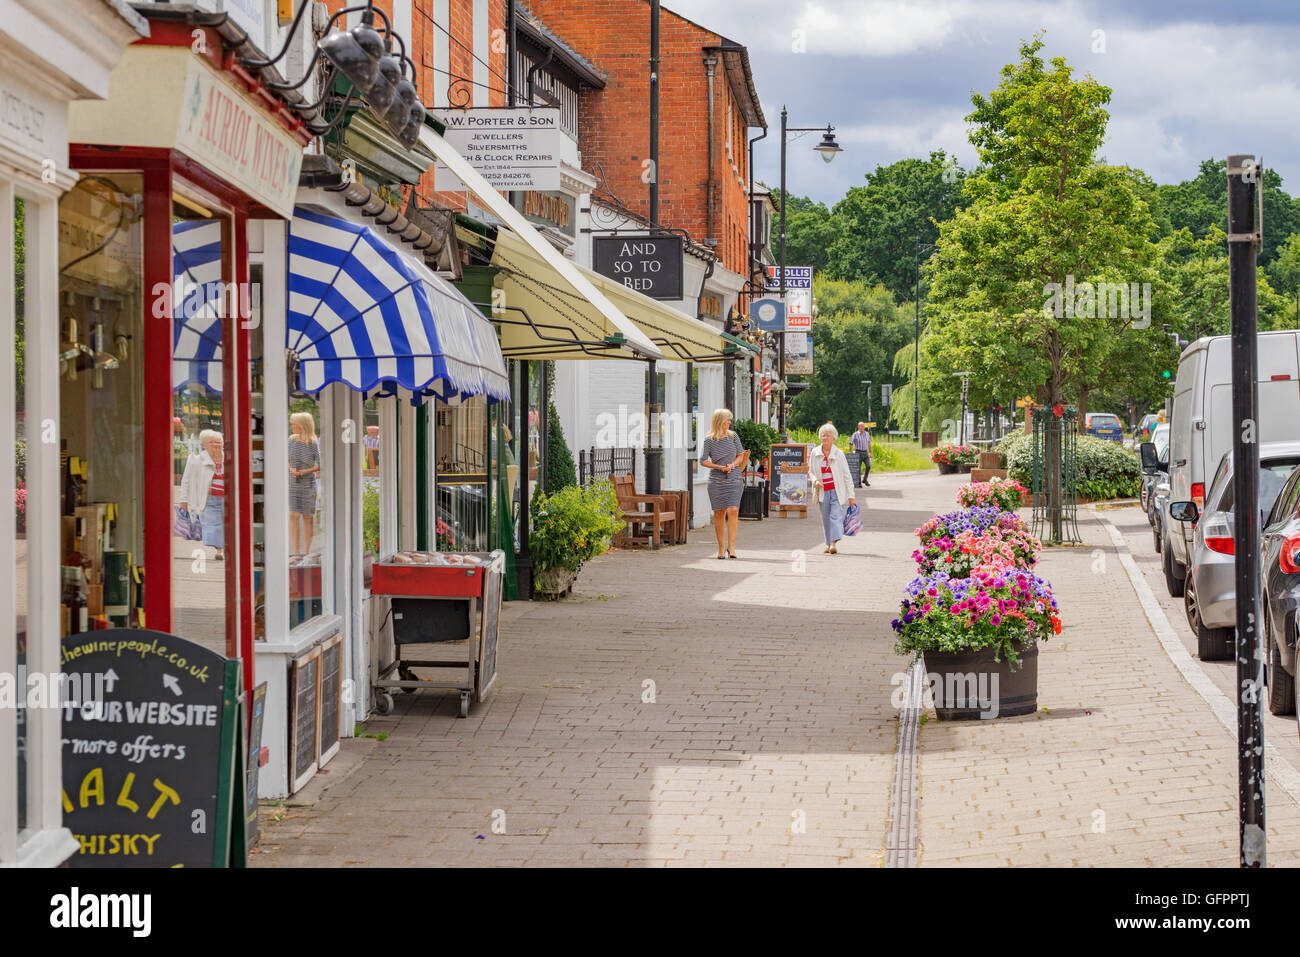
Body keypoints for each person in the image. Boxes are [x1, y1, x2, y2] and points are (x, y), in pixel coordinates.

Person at [700, 408, 747, 559]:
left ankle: (731, 548)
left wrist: (732, 466)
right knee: (719, 513)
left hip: (734, 477)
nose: (729, 422)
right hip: (716, 480)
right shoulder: (709, 440)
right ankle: (721, 548)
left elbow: (741, 455)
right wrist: (719, 467)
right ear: (719, 421)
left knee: (733, 510)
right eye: (727, 420)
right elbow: (703, 461)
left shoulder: (733, 436)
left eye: (730, 420)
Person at [809, 422, 855, 554]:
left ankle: (833, 543)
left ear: (833, 438)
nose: (825, 438)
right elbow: (811, 471)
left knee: (835, 516)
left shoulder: (839, 454)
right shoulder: (815, 452)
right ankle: (828, 543)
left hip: (837, 491)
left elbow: (847, 475)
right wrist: (815, 480)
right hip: (823, 491)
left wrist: (851, 496)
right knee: (825, 518)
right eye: (823, 435)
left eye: (828, 436)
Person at [180, 429, 225, 561]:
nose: (216, 445)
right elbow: (186, 480)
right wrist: (184, 499)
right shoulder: (195, 460)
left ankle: (225, 547)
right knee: (214, 524)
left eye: (218, 442)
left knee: (228, 525)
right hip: (209, 498)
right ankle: (220, 550)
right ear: (203, 445)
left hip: (229, 499)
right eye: (212, 442)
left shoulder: (229, 458)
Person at [288, 411, 321, 556]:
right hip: (293, 482)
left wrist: (304, 472)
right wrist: (291, 469)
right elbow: (286, 458)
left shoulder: (313, 443)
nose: (292, 426)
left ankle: (307, 552)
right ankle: (295, 552)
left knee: (307, 517)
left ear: (303, 425)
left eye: (295, 423)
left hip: (308, 484)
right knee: (293, 515)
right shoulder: (291, 440)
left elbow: (319, 465)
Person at [850, 421, 873, 486]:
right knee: (858, 468)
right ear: (858, 427)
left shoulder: (867, 434)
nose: (861, 427)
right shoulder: (855, 434)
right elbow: (851, 444)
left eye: (862, 426)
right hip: (858, 452)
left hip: (865, 452)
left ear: (864, 427)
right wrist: (851, 453)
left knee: (868, 466)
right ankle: (859, 482)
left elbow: (869, 444)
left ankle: (865, 479)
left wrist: (870, 452)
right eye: (860, 426)